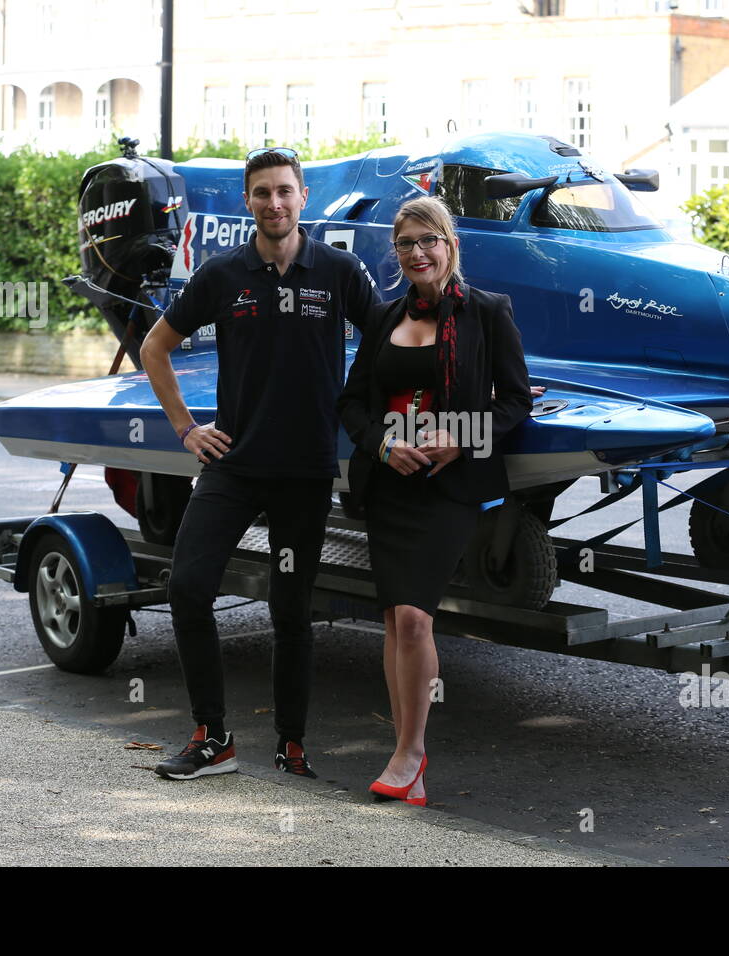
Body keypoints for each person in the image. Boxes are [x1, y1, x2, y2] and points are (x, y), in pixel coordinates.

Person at [139, 147, 380, 780]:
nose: (274, 203)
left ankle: (291, 744)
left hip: (303, 470)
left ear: (303, 198)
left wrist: (486, 378)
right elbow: (154, 347)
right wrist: (186, 428)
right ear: (248, 201)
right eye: (262, 193)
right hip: (234, 465)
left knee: (291, 610)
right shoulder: (223, 275)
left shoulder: (339, 271)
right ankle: (212, 737)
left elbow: (392, 340)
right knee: (188, 587)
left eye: (284, 191)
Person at [336, 196, 532, 806]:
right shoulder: (383, 317)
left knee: (418, 616)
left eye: (429, 241)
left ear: (450, 244)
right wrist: (382, 445)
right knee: (395, 619)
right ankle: (404, 747)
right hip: (392, 482)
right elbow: (353, 405)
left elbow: (515, 403)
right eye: (406, 244)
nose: (418, 253)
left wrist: (461, 437)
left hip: (449, 486)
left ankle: (410, 753)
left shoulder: (488, 313)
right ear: (396, 254)